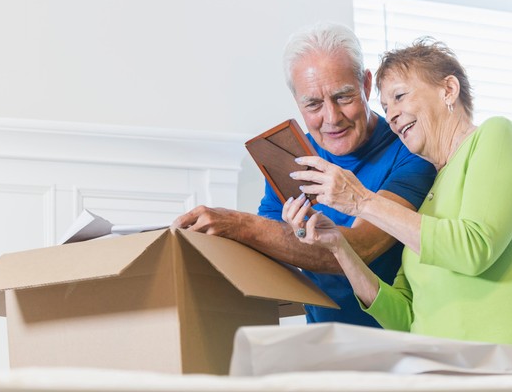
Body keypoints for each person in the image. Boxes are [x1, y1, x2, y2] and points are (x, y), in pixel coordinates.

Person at [282, 37, 512, 353]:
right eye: (386, 107)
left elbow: (474, 248)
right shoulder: (429, 195)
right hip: (449, 373)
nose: (390, 115)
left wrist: (362, 200)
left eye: (400, 97)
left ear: (448, 90)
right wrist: (339, 246)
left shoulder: (496, 135)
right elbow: (404, 315)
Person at [172, 23, 436, 327]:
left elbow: (363, 247)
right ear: (297, 101)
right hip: (323, 339)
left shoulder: (410, 149)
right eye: (313, 104)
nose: (331, 118)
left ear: (365, 85)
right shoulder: (291, 155)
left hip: (403, 336)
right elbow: (268, 251)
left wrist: (239, 224)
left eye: (343, 97)